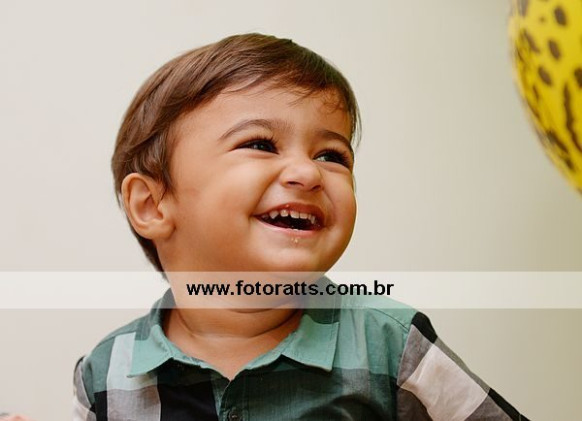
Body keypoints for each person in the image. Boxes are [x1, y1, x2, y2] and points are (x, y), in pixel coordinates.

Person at [73, 33, 530, 420]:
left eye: (332, 155)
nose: (308, 173)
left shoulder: (389, 344)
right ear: (152, 205)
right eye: (261, 144)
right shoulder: (106, 373)